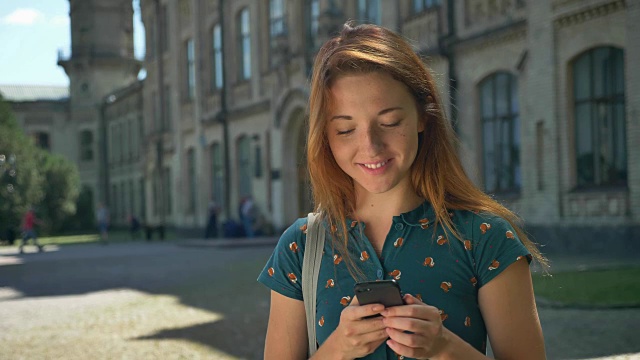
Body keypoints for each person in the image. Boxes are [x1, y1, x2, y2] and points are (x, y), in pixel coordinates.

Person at [258, 23, 547, 359]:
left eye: (390, 121)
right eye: (346, 129)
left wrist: (444, 347)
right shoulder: (301, 246)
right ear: (325, 136)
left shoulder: (485, 237)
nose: (371, 146)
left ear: (423, 116)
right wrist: (337, 348)